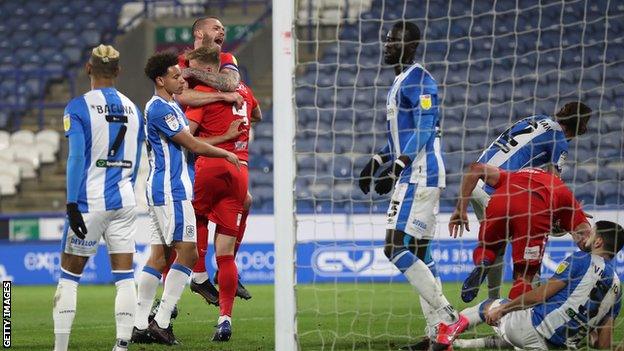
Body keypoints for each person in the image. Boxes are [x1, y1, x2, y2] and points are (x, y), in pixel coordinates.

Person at [357, 21, 460, 349]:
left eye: (394, 41)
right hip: (413, 172)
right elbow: (400, 138)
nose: (387, 45)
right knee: (420, 253)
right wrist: (376, 162)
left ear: (411, 46)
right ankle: (435, 337)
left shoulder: (420, 79)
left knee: (394, 246)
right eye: (386, 39)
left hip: (421, 174)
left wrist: (397, 167)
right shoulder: (400, 81)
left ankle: (448, 316)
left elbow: (426, 128)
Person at [131, 51, 239, 345]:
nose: (182, 79)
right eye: (176, 76)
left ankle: (140, 325)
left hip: (163, 190)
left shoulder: (171, 107)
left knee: (160, 256)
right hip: (171, 190)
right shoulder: (159, 109)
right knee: (189, 253)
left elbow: (189, 145)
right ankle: (162, 321)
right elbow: (192, 143)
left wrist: (222, 138)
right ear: (160, 80)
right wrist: (227, 152)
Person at [53, 44, 144, 351]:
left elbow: (76, 156)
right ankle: (121, 346)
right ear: (118, 71)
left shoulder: (78, 107)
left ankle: (61, 348)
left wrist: (71, 202)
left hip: (90, 203)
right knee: (124, 277)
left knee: (69, 277)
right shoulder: (135, 110)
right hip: (125, 201)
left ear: (88, 69)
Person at [466, 102, 592, 302]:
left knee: (494, 247)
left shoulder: (537, 118)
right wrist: (569, 212)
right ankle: (524, 308)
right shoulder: (560, 141)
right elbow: (553, 183)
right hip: (498, 189)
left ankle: (491, 298)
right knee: (530, 244)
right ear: (581, 129)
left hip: (478, 182)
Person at [184, 45, 261, 341]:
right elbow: (258, 114)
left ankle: (200, 275)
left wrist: (220, 135)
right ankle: (225, 319)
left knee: (198, 217)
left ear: (206, 70)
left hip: (213, 163)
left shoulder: (202, 94)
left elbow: (188, 137)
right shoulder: (245, 91)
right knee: (226, 255)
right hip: (240, 171)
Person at [449, 221, 623, 351]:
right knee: (516, 339)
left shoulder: (581, 259)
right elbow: (603, 344)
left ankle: (443, 337)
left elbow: (541, 295)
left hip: (533, 328)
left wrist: (504, 309)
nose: (587, 237)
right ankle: (463, 344)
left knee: (489, 306)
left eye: (591, 234)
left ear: (598, 242)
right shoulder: (617, 287)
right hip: (557, 347)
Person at [450, 163, 592, 304]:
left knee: (488, 248)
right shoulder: (563, 192)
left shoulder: (515, 174)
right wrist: (590, 251)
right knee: (523, 277)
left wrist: (460, 210)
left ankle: (483, 263)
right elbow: (585, 234)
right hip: (534, 212)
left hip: (501, 201)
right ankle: (509, 315)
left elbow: (475, 168)